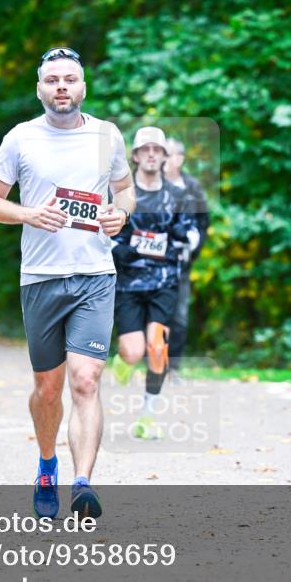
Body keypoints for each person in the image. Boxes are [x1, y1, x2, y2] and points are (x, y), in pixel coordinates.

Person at [0, 47, 135, 519]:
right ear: (40, 89)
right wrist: (29, 213)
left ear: (83, 87)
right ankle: (47, 466)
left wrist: (120, 214)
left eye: (70, 79)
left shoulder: (107, 136)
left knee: (86, 380)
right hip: (41, 279)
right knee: (48, 389)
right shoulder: (21, 139)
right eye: (52, 80)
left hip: (95, 276)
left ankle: (83, 483)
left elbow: (125, 190)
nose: (61, 87)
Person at [108, 127, 199, 439]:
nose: (150, 154)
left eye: (156, 149)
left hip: (164, 283)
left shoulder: (177, 197)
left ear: (164, 157)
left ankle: (149, 416)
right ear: (135, 156)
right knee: (133, 352)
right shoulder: (122, 193)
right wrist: (126, 245)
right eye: (144, 149)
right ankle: (123, 362)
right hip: (128, 284)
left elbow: (189, 233)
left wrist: (184, 239)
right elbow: (108, 233)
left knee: (158, 348)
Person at [163, 138, 209, 373]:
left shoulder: (192, 188)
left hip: (181, 263)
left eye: (168, 154)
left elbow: (203, 224)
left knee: (179, 315)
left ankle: (174, 367)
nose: (162, 159)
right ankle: (154, 365)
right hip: (150, 264)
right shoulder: (149, 185)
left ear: (179, 159)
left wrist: (192, 252)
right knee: (152, 314)